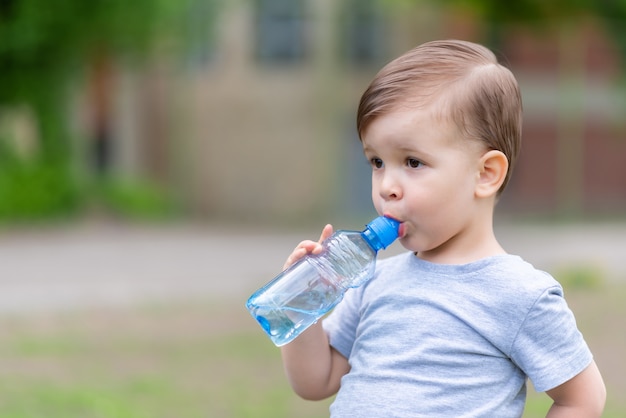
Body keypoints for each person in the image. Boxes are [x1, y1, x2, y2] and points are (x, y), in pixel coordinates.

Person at [279, 40, 606, 417]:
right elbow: (315, 383)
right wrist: (302, 308)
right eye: (377, 161)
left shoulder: (520, 294)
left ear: (485, 174)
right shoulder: (371, 281)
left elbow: (583, 399)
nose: (387, 185)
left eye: (413, 162)